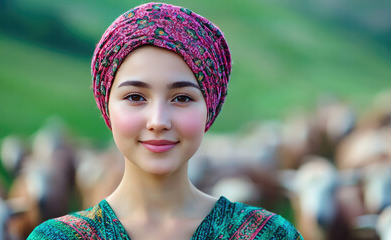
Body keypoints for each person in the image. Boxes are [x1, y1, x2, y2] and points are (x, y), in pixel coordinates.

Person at [28, 2, 302, 239]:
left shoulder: (272, 235)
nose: (158, 121)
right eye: (135, 97)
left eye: (182, 98)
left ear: (210, 108)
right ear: (106, 106)